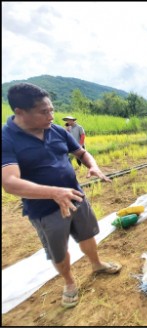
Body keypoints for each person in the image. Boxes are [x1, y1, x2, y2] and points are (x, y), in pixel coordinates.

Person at [1, 83, 121, 309]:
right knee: (59, 250)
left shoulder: (56, 130)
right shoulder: (6, 138)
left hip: (76, 196)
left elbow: (82, 153)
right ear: (20, 112)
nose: (51, 116)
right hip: (44, 210)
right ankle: (69, 283)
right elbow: (9, 182)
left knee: (87, 235)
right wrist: (54, 192)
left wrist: (92, 166)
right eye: (43, 111)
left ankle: (96, 264)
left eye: (52, 110)